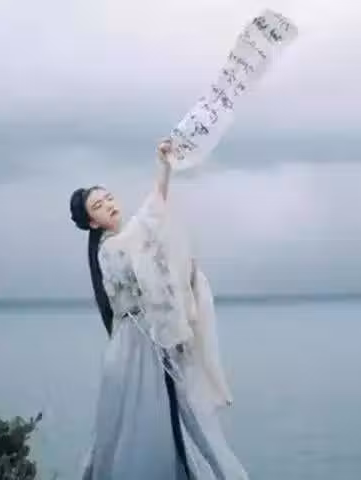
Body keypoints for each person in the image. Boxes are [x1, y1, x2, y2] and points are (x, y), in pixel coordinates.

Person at [69, 139, 248, 479]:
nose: (108, 205)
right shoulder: (109, 250)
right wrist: (162, 169)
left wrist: (164, 166)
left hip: (147, 340)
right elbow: (151, 218)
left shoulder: (127, 240)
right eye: (98, 205)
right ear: (92, 222)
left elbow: (153, 214)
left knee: (177, 417)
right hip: (136, 348)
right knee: (144, 426)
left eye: (109, 198)